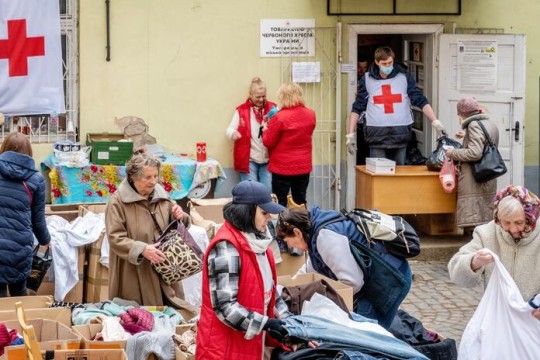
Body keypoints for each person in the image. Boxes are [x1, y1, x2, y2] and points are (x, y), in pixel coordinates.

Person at [196, 180, 314, 359]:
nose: (269, 218)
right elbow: (225, 307)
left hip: (251, 345)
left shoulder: (261, 245)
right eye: (264, 212)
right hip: (224, 349)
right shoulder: (226, 248)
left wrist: (291, 325)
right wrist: (267, 324)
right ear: (247, 212)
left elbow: (269, 294)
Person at [275, 206, 412, 329]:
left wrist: (324, 300)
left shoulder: (325, 237)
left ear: (297, 232)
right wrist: (286, 289)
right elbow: (310, 270)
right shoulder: (314, 233)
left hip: (391, 278)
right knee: (365, 326)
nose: (290, 247)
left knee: (367, 334)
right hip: (380, 277)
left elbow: (353, 282)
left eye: (288, 241)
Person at [105, 154, 193, 309]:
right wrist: (142, 249)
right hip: (135, 270)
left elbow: (177, 223)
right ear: (133, 177)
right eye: (147, 177)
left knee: (172, 312)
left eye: (155, 176)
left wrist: (179, 216)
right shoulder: (117, 202)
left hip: (164, 266)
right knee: (138, 315)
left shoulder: (160, 193)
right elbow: (115, 237)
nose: (153, 181)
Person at [448, 185, 540, 319]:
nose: (513, 229)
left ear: (530, 218)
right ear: (498, 218)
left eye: (519, 222)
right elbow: (457, 275)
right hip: (498, 321)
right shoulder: (486, 234)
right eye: (506, 223)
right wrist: (474, 262)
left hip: (534, 322)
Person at [346, 46, 444, 165]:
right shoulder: (366, 79)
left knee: (398, 174)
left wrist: (435, 121)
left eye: (390, 62)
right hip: (377, 135)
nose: (388, 66)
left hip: (400, 133)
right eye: (384, 63)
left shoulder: (404, 77)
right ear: (377, 62)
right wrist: (350, 134)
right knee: (379, 176)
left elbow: (420, 100)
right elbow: (357, 107)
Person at [0, 133, 51, 297]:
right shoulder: (36, 179)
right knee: (19, 297)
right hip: (20, 248)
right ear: (29, 151)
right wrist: (46, 240)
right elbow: (38, 219)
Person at [444, 98, 499, 235]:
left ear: (462, 113)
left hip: (474, 176)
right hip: (488, 174)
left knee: (474, 215)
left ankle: (473, 245)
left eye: (459, 114)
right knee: (485, 212)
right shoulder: (489, 123)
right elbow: (487, 141)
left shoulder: (473, 125)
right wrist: (466, 135)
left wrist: (453, 153)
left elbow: (475, 153)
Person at [262, 82, 316, 207]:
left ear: (283, 97)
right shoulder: (311, 114)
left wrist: (265, 130)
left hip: (282, 167)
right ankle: (301, 224)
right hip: (303, 165)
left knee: (280, 201)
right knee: (300, 200)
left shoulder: (279, 117)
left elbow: (268, 142)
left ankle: (281, 225)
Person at [226, 77, 276, 191]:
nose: (261, 99)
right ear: (250, 95)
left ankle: (265, 210)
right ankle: (251, 210)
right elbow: (229, 128)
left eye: (263, 96)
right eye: (258, 97)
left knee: (267, 192)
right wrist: (233, 133)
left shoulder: (273, 108)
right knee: (251, 192)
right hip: (249, 159)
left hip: (268, 158)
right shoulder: (241, 110)